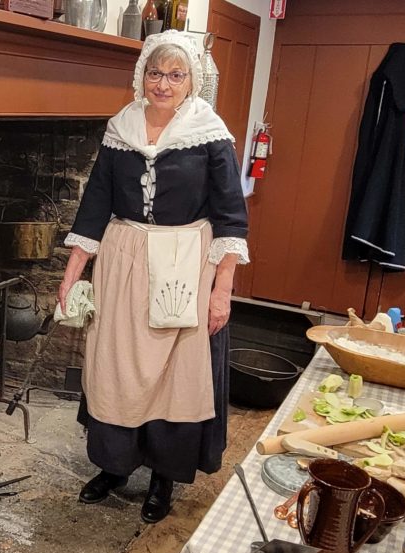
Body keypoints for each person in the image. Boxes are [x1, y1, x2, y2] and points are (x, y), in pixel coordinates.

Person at [57, 30, 249, 524]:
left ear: (192, 81)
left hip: (186, 264)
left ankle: (163, 477)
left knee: (173, 374)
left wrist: (222, 290)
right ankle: (114, 466)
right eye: (155, 73)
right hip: (123, 262)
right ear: (142, 76)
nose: (163, 84)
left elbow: (231, 218)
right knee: (117, 365)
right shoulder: (120, 128)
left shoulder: (210, 133)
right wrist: (72, 274)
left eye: (175, 75)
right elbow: (95, 203)